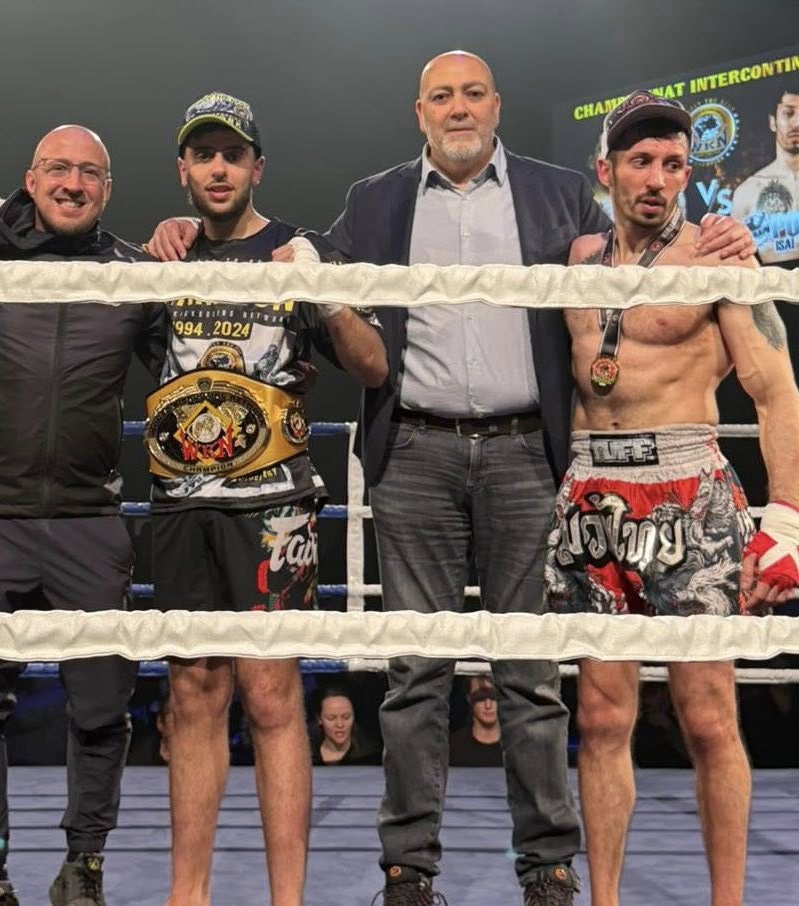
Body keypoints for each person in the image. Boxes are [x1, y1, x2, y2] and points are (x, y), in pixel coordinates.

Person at [143, 57, 753, 906]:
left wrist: (724, 236)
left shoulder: (556, 195)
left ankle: (547, 866)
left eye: (472, 95)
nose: (458, 109)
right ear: (419, 112)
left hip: (526, 450)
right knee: (414, 672)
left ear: (496, 106)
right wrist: (182, 227)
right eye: (442, 97)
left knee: (529, 674)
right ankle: (409, 868)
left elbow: (636, 244)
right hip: (417, 453)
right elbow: (302, 263)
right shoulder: (376, 199)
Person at [546, 89, 798, 906]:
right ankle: (605, 900)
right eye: (641, 161)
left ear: (689, 174)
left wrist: (786, 522)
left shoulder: (718, 257)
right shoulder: (574, 260)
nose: (657, 179)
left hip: (688, 489)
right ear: (606, 170)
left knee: (709, 715)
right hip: (594, 496)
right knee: (601, 719)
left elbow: (776, 390)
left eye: (673, 165)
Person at [152, 92, 387, 906]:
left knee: (273, 695)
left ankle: (288, 899)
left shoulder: (298, 250)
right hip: (182, 502)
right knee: (193, 694)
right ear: (183, 171)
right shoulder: (163, 260)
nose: (218, 169)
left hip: (275, 506)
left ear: (258, 167)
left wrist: (323, 291)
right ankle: (188, 895)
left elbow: (372, 365)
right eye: (204, 155)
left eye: (233, 155)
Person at [0, 124, 167, 906]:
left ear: (108, 189)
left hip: (86, 517)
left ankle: (84, 865)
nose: (73, 183)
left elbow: (195, 362)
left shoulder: (133, 274)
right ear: (29, 179)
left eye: (90, 172)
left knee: (103, 701)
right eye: (58, 169)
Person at [730, 89, 799, 265]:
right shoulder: (747, 191)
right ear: (773, 122)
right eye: (788, 113)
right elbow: (737, 262)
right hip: (772, 280)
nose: (797, 123)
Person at [310, 685, 379, 766]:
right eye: (331, 718)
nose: (340, 724)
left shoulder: (371, 756)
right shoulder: (306, 754)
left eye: (346, 717)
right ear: (319, 719)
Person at [447, 675, 503, 767]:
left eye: (494, 696)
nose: (488, 705)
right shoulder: (450, 747)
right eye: (480, 696)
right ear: (468, 698)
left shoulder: (517, 746)